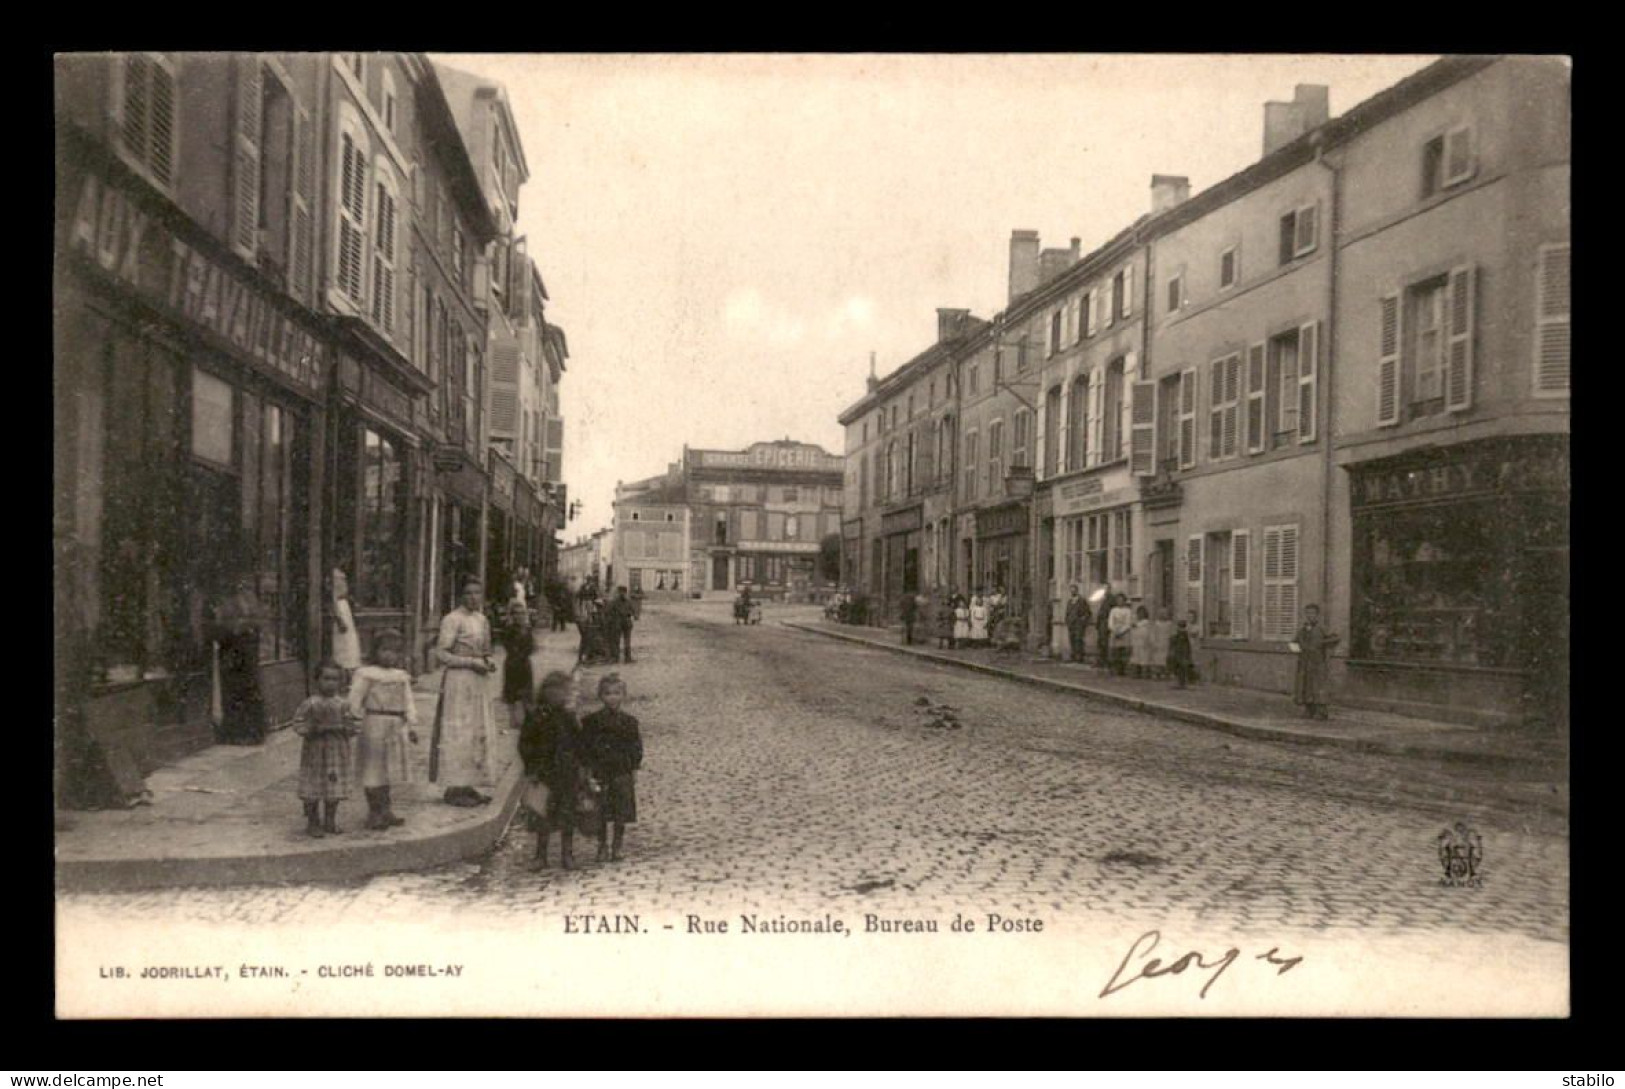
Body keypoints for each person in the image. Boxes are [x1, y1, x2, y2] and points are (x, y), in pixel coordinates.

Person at [432, 579, 499, 807]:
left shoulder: (482, 619)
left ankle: (469, 784)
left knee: (476, 730)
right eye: (468, 593)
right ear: (461, 596)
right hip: (459, 682)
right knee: (459, 731)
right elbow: (441, 654)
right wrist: (470, 662)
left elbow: (487, 649)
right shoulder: (452, 619)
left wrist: (488, 661)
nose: (473, 598)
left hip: (478, 682)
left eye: (477, 593)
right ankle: (454, 787)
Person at [349, 628, 419, 829]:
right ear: (375, 651)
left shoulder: (401, 676)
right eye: (385, 650)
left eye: (395, 651)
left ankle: (386, 810)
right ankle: (374, 812)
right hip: (374, 724)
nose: (390, 655)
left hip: (395, 725)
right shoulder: (366, 674)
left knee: (388, 770)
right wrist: (353, 720)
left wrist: (411, 724)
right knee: (373, 769)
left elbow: (408, 701)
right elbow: (355, 700)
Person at [520, 671, 585, 870]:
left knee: (567, 815)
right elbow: (525, 744)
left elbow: (579, 743)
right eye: (566, 692)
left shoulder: (568, 717)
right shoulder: (536, 717)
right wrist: (531, 768)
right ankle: (541, 855)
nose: (566, 696)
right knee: (542, 816)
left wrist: (581, 766)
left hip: (566, 773)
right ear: (548, 693)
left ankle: (567, 854)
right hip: (543, 773)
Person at [581, 673, 644, 864]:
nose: (612, 697)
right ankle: (602, 846)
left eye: (617, 693)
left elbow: (635, 747)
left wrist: (634, 769)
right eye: (608, 694)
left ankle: (617, 846)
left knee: (621, 811)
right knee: (600, 810)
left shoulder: (630, 722)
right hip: (601, 771)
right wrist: (588, 773)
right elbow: (585, 748)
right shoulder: (591, 722)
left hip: (621, 770)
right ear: (601, 696)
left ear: (623, 695)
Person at [292, 661, 358, 838]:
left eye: (335, 679)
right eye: (326, 678)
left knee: (333, 786)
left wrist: (346, 728)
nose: (331, 683)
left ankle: (330, 820)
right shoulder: (310, 704)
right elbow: (298, 723)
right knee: (313, 786)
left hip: (336, 751)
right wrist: (311, 729)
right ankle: (313, 822)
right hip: (315, 751)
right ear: (317, 681)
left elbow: (353, 725)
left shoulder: (343, 704)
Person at [212, 574, 269, 745]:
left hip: (247, 650)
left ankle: (253, 732)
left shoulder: (249, 599)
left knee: (249, 689)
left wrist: (244, 625)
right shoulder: (225, 601)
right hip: (230, 650)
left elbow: (258, 620)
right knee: (233, 690)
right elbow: (221, 626)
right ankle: (235, 733)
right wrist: (238, 627)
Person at [1293, 604, 1341, 720]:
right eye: (1308, 613)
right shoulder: (1302, 630)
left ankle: (1322, 711)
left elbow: (1336, 638)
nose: (1310, 616)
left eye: (1312, 613)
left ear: (1317, 615)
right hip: (1305, 662)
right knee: (1306, 686)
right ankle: (1309, 710)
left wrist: (1322, 643)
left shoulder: (1322, 628)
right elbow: (1293, 643)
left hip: (1318, 662)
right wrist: (1300, 651)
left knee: (1319, 686)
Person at [498, 600, 536, 733]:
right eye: (516, 614)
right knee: (512, 693)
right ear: (512, 615)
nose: (519, 616)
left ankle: (527, 718)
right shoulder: (509, 630)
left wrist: (523, 653)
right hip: (512, 664)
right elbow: (507, 645)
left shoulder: (528, 630)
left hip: (524, 664)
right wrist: (517, 653)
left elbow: (531, 647)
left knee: (526, 692)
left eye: (522, 613)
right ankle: (513, 718)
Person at [330, 568, 362, 687]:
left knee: (350, 645)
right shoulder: (333, 577)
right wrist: (339, 619)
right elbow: (333, 599)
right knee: (343, 647)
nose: (343, 581)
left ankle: (348, 677)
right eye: (341, 580)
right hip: (341, 611)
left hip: (345, 608)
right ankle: (343, 678)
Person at [1064, 585, 1092, 665]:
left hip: (1078, 624)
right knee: (1072, 639)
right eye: (1071, 591)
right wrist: (1067, 620)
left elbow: (1088, 613)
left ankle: (1079, 657)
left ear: (1077, 591)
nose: (1072, 592)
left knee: (1078, 640)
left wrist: (1083, 620)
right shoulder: (1070, 601)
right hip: (1071, 624)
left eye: (1074, 590)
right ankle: (1073, 655)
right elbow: (1067, 612)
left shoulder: (1082, 601)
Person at [607, 587, 636, 663]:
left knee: (625, 641)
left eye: (623, 592)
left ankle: (625, 658)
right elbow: (609, 611)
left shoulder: (626, 601)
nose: (622, 594)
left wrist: (629, 614)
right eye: (621, 592)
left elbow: (633, 611)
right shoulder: (615, 602)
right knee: (618, 641)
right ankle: (618, 658)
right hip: (619, 622)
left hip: (624, 622)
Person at [1108, 595, 1135, 676]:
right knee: (1115, 652)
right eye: (1118, 600)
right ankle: (1115, 669)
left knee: (1123, 651)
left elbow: (1128, 623)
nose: (1120, 602)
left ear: (1124, 601)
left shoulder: (1128, 611)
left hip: (1124, 633)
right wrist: (1114, 630)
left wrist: (1121, 631)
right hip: (1115, 632)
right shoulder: (1113, 610)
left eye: (1121, 600)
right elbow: (1110, 621)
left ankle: (1123, 669)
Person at [1168, 618, 1195, 688]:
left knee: (1181, 668)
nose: (1181, 629)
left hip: (1182, 652)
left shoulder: (1182, 634)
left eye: (1182, 626)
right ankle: (1180, 682)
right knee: (1179, 668)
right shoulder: (1178, 635)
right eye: (1180, 626)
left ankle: (1181, 683)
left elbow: (1186, 644)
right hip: (1179, 652)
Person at [1130, 605, 1155, 678]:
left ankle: (1145, 673)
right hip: (1136, 643)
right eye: (1139, 613)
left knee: (1144, 659)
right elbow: (1133, 633)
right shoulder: (1135, 624)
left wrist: (1151, 642)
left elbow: (1151, 633)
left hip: (1145, 643)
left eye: (1142, 613)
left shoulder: (1147, 623)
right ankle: (1136, 673)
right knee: (1136, 658)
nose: (1140, 615)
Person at [1150, 608, 1175, 680]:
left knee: (1166, 658)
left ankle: (1166, 673)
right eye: (1161, 613)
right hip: (1158, 642)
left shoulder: (1169, 624)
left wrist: (1172, 642)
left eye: (1165, 613)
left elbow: (1172, 634)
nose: (1163, 615)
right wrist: (1153, 642)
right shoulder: (1156, 624)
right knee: (1157, 659)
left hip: (1166, 643)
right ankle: (1157, 673)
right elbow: (1153, 634)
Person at [1095, 590, 1114, 670]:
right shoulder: (1102, 600)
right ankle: (1101, 660)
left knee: (1105, 643)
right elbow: (1100, 613)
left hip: (1106, 624)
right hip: (1101, 624)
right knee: (1100, 642)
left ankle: (1106, 661)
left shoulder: (1111, 600)